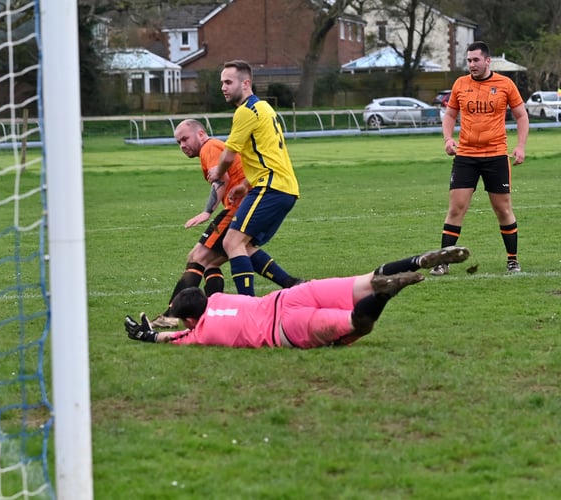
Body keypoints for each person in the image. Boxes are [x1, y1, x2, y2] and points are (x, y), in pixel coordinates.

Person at [125, 246, 471, 348]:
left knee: (356, 324)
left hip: (287, 328)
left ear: (190, 320)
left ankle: (387, 293)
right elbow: (212, 280)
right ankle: (413, 262)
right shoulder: (218, 299)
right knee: (366, 279)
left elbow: (178, 336)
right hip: (288, 297)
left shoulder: (201, 333)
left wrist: (150, 335)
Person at [432, 41, 529, 276]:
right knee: (456, 208)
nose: (472, 64)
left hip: (496, 156)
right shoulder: (460, 84)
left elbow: (521, 116)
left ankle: (512, 260)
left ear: (487, 61)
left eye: (476, 60)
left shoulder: (505, 84)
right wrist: (447, 139)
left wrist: (520, 146)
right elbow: (450, 115)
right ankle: (443, 262)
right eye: (469, 60)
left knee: (502, 209)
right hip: (466, 156)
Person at [205, 59, 301, 296]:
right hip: (282, 188)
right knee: (244, 246)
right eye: (222, 82)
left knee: (231, 243)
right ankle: (294, 285)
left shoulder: (245, 111)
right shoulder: (265, 108)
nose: (223, 87)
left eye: (228, 82)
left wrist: (218, 171)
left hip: (271, 188)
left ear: (246, 83)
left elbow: (229, 154)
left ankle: (248, 306)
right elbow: (268, 155)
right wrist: (244, 184)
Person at [150, 119, 247, 329]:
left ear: (201, 133)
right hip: (243, 207)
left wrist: (207, 212)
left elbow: (221, 179)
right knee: (211, 263)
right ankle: (215, 313)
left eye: (185, 139)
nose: (182, 145)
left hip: (237, 209)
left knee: (197, 257)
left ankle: (171, 315)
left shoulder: (209, 147)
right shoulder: (213, 147)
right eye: (178, 142)